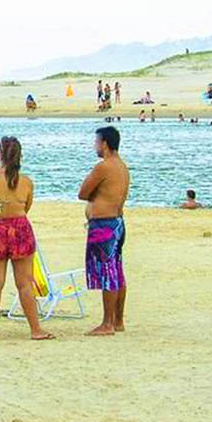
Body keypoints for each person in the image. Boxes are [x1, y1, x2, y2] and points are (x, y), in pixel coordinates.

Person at [0, 137, 52, 341]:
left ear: (0, 154)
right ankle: (36, 330)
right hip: (19, 228)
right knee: (25, 283)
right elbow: (26, 206)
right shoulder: (26, 181)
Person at [78, 126, 130, 336]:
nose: (95, 146)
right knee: (116, 270)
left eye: (97, 142)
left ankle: (107, 322)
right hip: (117, 222)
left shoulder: (104, 167)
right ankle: (117, 320)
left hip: (104, 224)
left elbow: (83, 192)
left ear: (105, 144)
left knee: (107, 272)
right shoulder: (122, 166)